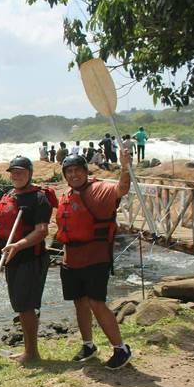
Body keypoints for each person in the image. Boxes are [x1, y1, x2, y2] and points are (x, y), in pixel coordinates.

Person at [56, 152, 133, 370]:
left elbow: (122, 189)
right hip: (71, 259)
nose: (74, 174)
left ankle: (121, 348)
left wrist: (125, 167)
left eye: (77, 170)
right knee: (79, 302)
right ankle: (88, 345)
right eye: (69, 171)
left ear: (85, 171)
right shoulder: (68, 195)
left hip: (95, 257)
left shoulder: (100, 189)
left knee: (96, 303)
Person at [0, 157, 54, 363]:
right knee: (20, 305)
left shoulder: (39, 198)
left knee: (26, 307)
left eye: (20, 172)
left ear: (30, 173)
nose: (16, 176)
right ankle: (29, 350)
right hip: (11, 259)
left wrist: (18, 246)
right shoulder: (9, 195)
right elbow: (4, 230)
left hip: (30, 259)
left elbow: (41, 231)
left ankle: (32, 352)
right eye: (13, 172)